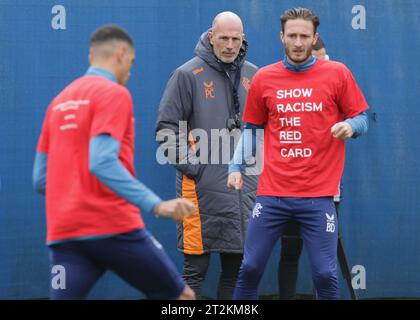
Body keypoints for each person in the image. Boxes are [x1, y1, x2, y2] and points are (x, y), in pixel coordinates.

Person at [32, 24, 196, 300]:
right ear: (121, 54)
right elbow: (101, 162)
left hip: (64, 233)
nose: (129, 72)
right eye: (131, 63)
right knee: (181, 298)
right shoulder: (114, 93)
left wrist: (76, 195)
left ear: (90, 57)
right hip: (114, 227)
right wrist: (156, 205)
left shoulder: (57, 103)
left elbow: (40, 180)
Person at [228, 8, 369, 300]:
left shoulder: (337, 73)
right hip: (272, 194)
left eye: (304, 36)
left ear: (314, 37)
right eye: (292, 35)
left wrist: (349, 126)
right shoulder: (265, 78)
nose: (298, 42)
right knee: (251, 267)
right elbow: (253, 129)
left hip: (319, 197)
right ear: (282, 37)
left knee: (325, 275)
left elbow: (363, 117)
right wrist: (235, 166)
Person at [155, 12, 258, 299]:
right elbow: (166, 128)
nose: (229, 45)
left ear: (243, 39)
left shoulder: (254, 74)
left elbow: (263, 127)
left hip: (244, 189)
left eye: (235, 39)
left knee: (237, 267)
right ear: (211, 36)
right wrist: (193, 167)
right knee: (195, 269)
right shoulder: (187, 74)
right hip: (199, 189)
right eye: (223, 38)